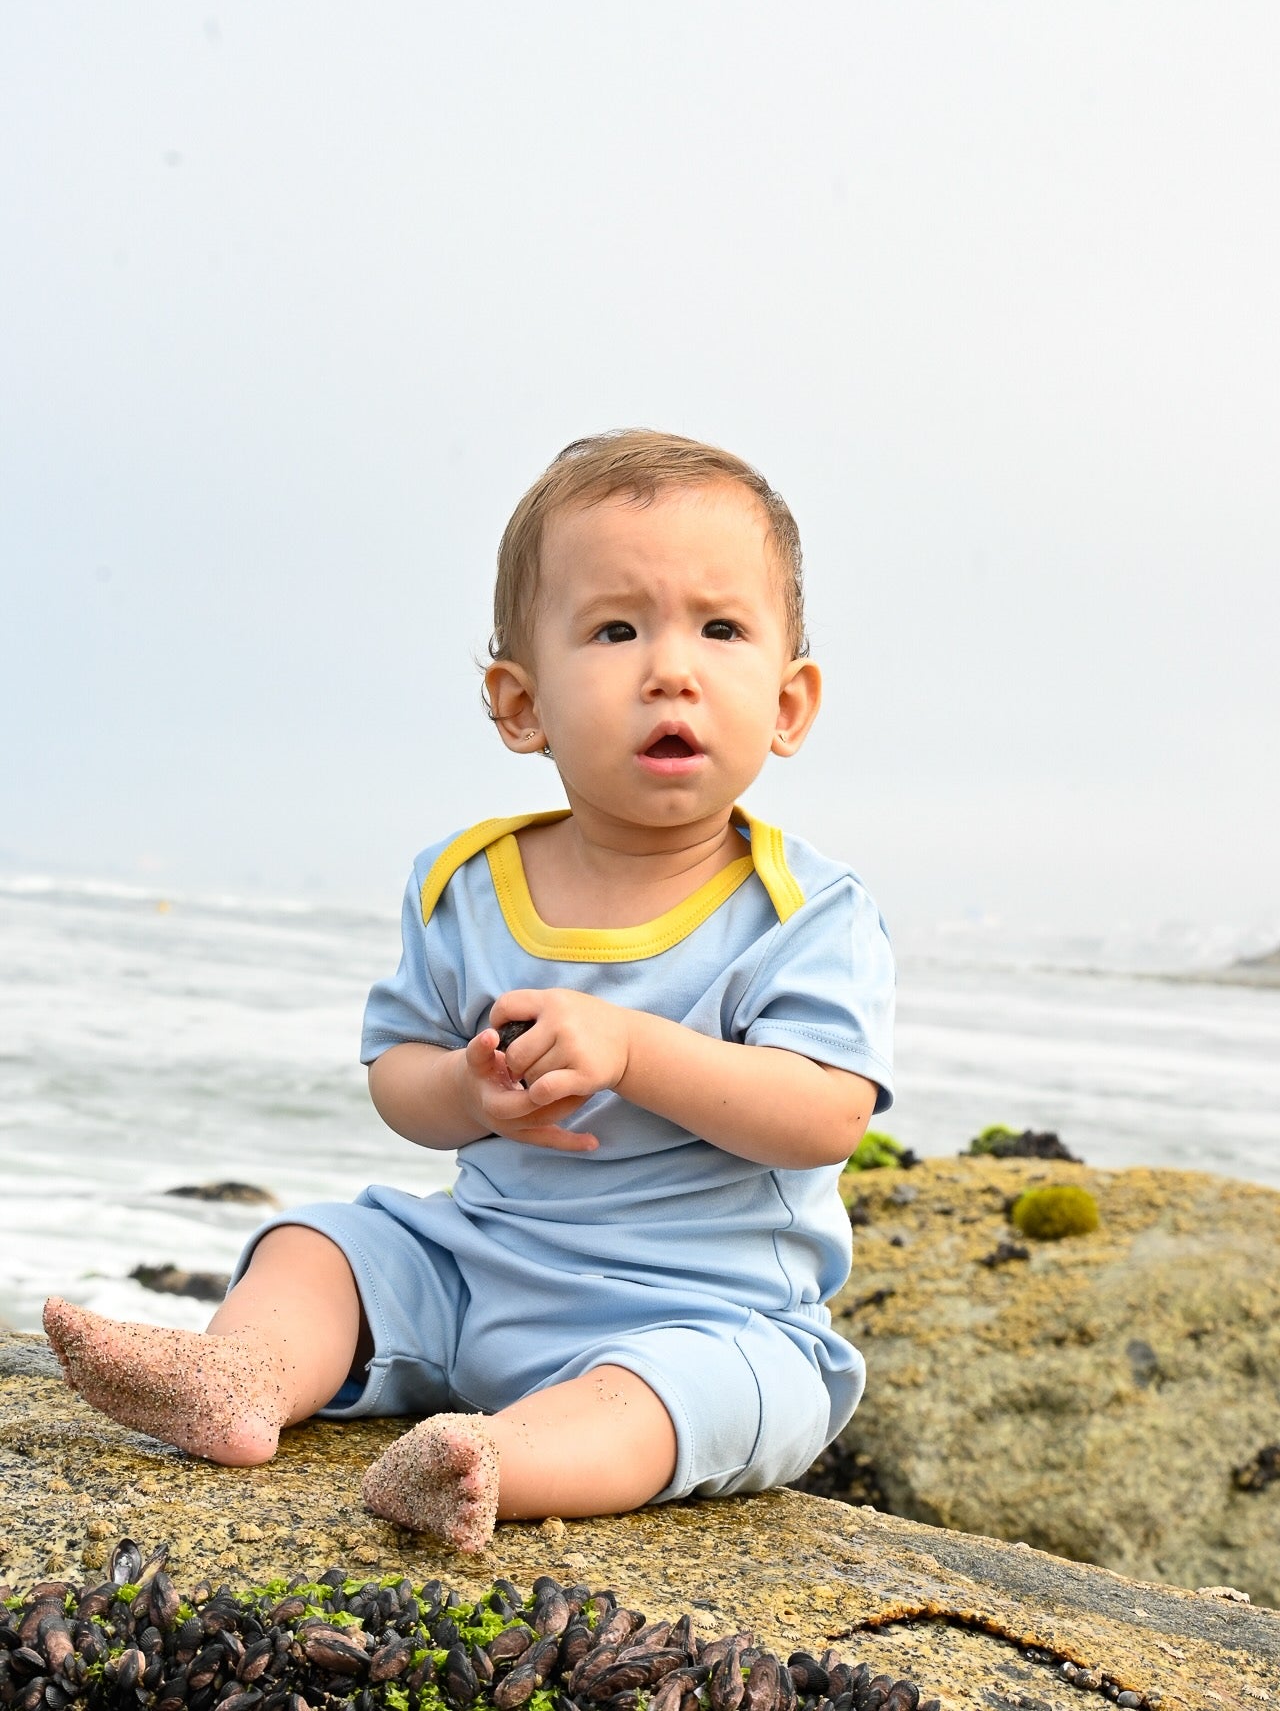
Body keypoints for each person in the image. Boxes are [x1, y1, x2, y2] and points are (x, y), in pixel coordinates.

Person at [44, 428, 895, 1554]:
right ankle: (240, 1374)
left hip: (702, 1314)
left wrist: (632, 1048)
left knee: (696, 1393)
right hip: (479, 1270)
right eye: (615, 628)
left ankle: (491, 1457)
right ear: (519, 703)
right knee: (326, 1239)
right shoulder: (465, 884)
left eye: (720, 627)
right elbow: (396, 1078)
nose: (671, 667)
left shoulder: (805, 911)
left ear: (788, 704)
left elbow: (823, 1113)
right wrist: (469, 1088)